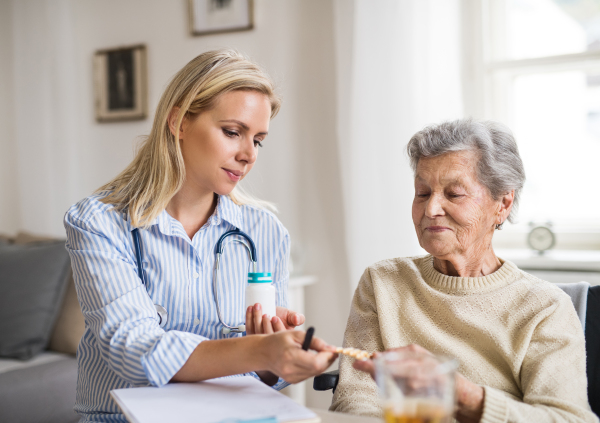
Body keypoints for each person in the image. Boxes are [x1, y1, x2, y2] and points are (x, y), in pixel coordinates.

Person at [64, 49, 337, 423]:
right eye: (232, 132)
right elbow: (133, 349)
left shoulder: (265, 231)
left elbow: (266, 378)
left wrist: (272, 356)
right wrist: (259, 351)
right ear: (178, 121)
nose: (248, 155)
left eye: (257, 140)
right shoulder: (98, 222)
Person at [330, 119, 598, 423]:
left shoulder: (544, 307)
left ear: (503, 203)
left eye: (454, 194)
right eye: (422, 192)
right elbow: (356, 397)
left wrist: (464, 395)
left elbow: (569, 420)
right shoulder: (383, 283)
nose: (431, 210)